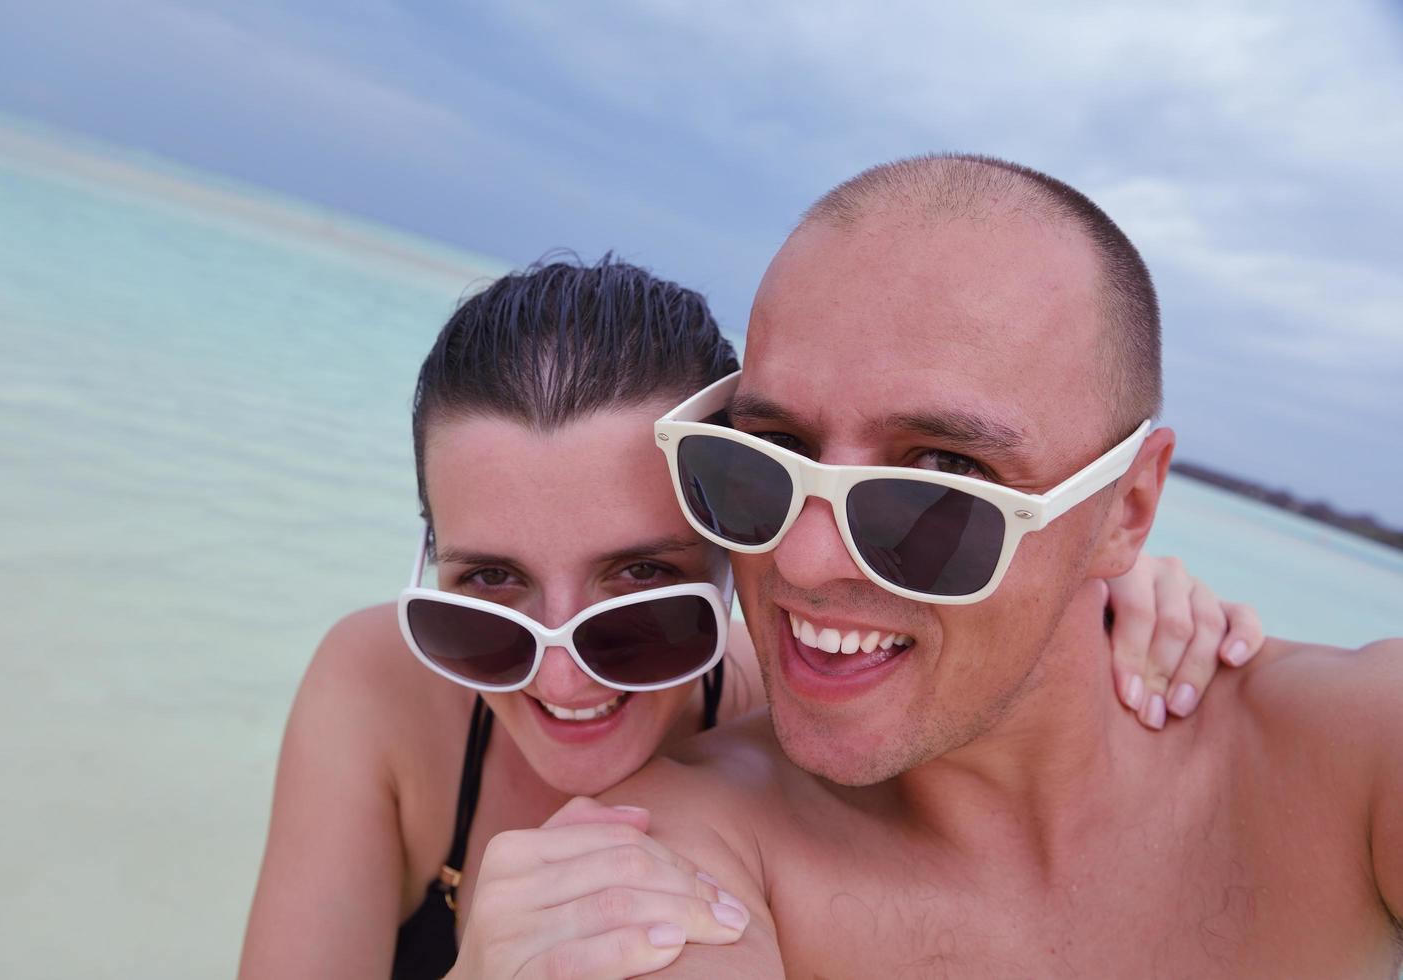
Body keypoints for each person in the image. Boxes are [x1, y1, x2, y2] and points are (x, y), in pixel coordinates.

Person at [237, 256, 1263, 980]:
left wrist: (1092, 577)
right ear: (428, 561)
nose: (561, 678)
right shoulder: (380, 688)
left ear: (741, 539)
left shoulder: (827, 706)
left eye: (641, 581)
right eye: (487, 591)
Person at [589, 155, 1403, 976]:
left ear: (1126, 510)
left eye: (940, 478)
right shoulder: (671, 856)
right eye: (771, 452)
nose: (800, 557)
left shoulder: (1359, 750)